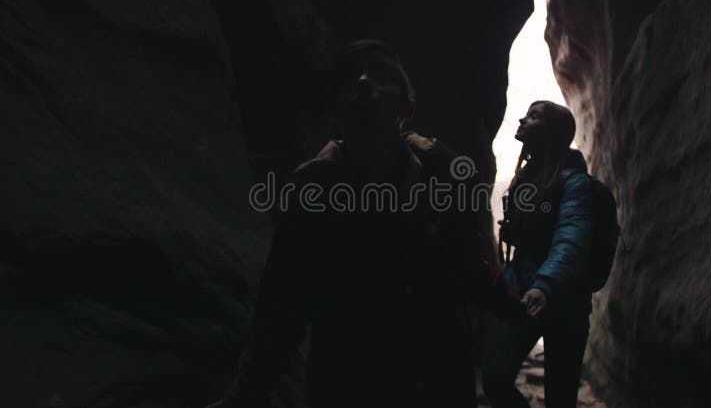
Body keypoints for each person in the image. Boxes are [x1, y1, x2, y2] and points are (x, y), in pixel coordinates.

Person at [207, 40, 527, 408]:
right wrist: (246, 391)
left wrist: (514, 305)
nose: (362, 81)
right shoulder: (314, 189)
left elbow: (465, 266)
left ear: (408, 103)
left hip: (438, 376)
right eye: (352, 78)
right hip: (353, 382)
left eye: (381, 76)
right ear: (336, 103)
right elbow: (284, 300)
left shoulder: (440, 178)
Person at [482, 100, 595, 408]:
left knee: (560, 397)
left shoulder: (575, 184)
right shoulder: (527, 180)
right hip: (523, 292)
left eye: (534, 116)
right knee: (494, 376)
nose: (523, 119)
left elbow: (571, 237)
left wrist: (544, 284)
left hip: (564, 302)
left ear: (554, 132)